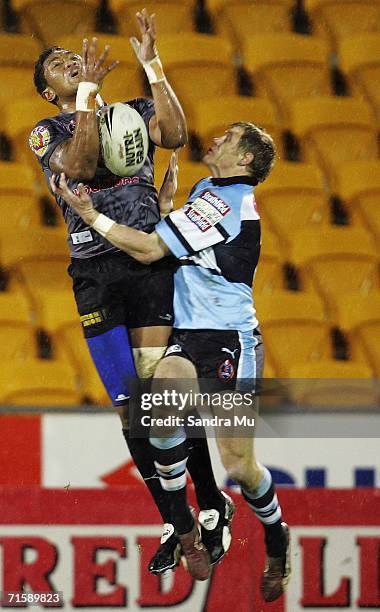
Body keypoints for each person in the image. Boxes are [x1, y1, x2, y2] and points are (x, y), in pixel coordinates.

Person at [50, 121, 291, 600]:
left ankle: (276, 533)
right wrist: (165, 209)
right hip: (189, 338)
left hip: (229, 340)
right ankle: (185, 525)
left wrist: (90, 215)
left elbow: (150, 249)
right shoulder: (210, 188)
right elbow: (188, 245)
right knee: (158, 413)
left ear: (245, 160)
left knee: (239, 465)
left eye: (229, 139)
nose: (216, 139)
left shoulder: (231, 201)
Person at [30, 9, 232, 576]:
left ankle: (210, 501)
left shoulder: (132, 113)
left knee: (161, 395)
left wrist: (152, 64)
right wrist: (89, 93)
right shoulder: (48, 132)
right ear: (50, 92)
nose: (70, 62)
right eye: (59, 66)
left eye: (75, 58)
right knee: (129, 408)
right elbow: (84, 164)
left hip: (146, 263)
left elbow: (177, 135)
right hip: (96, 272)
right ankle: (179, 517)